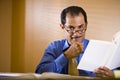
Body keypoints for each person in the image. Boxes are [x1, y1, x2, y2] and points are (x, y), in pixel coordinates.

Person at [35, 6, 114, 77]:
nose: (76, 34)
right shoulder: (54, 47)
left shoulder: (97, 48)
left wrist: (111, 74)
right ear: (62, 27)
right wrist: (65, 56)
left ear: (86, 25)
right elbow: (39, 73)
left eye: (80, 27)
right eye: (71, 28)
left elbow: (115, 71)